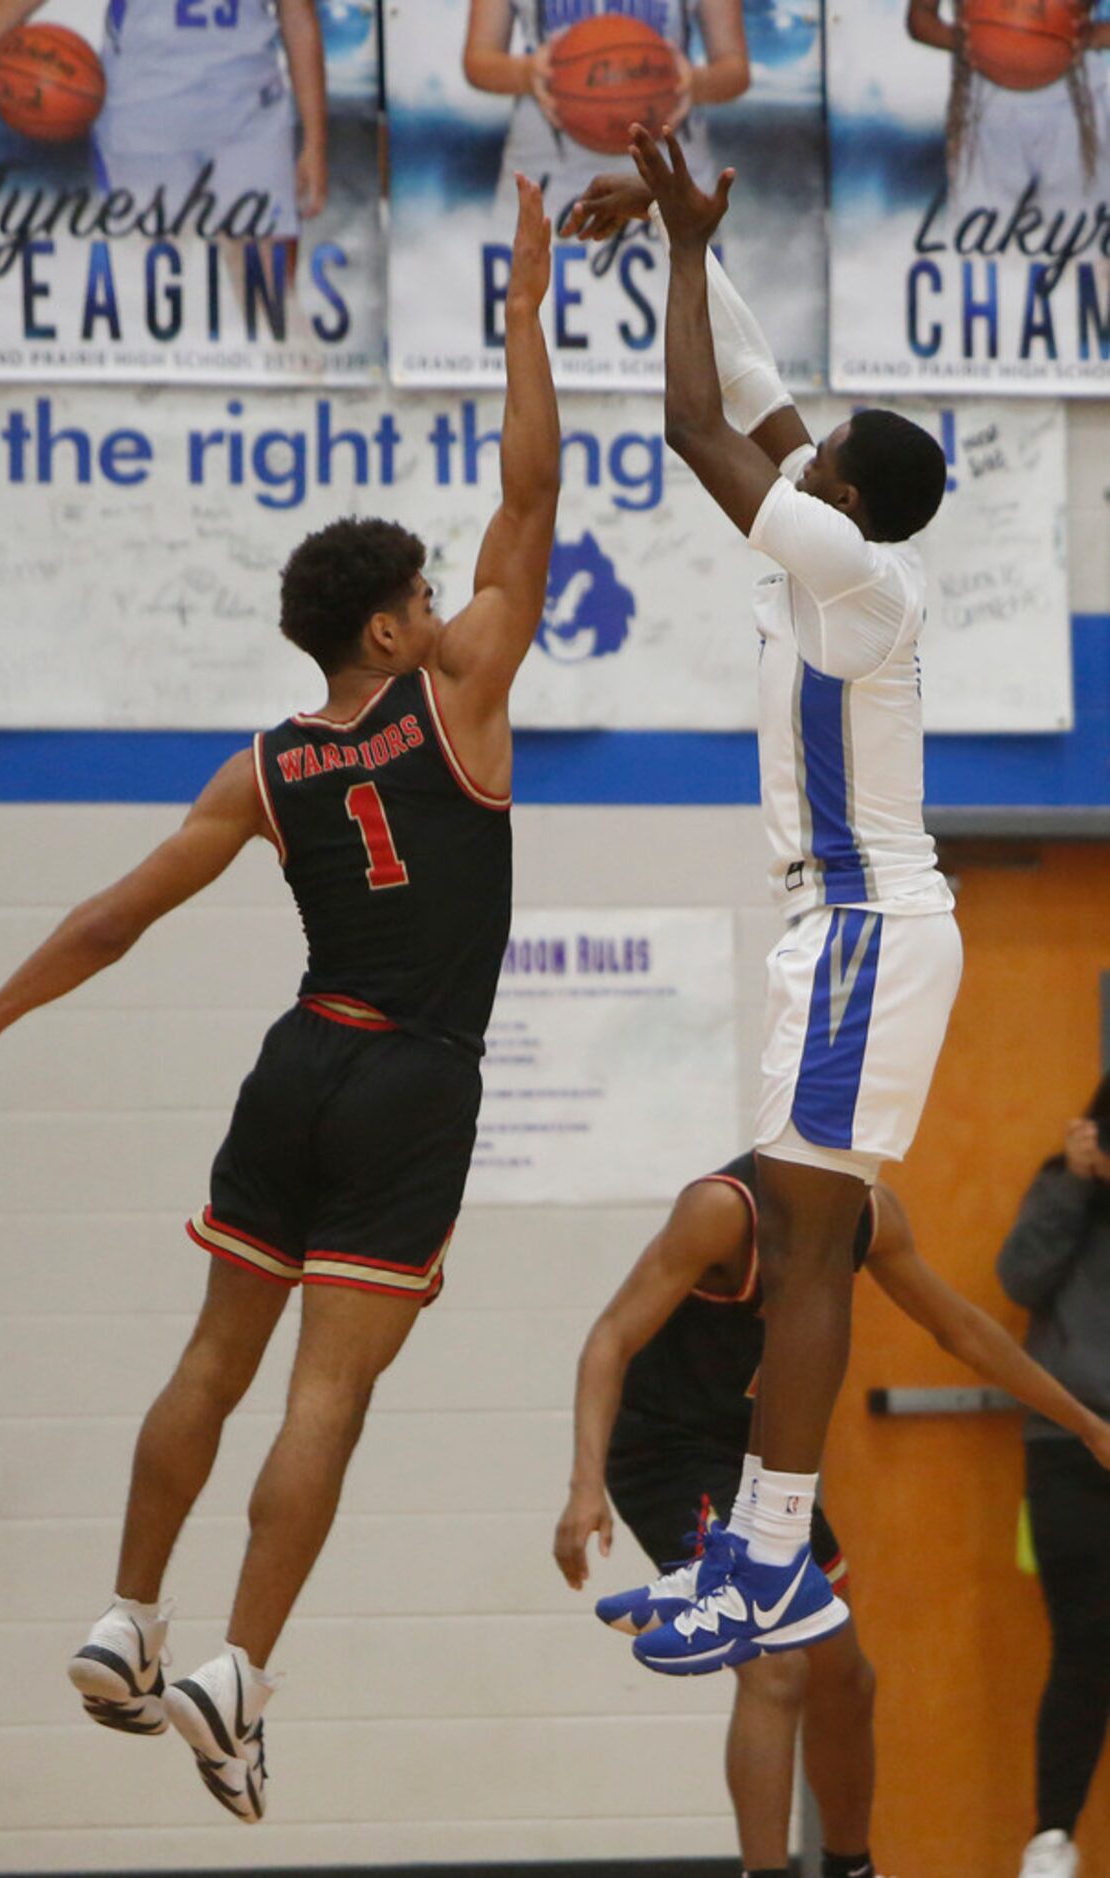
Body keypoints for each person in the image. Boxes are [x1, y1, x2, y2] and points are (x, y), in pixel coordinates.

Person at [0, 174, 558, 1824]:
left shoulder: (264, 767)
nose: (451, 602)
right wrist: (526, 309)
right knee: (333, 1387)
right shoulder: (458, 699)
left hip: (295, 1061)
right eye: (429, 590)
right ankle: (237, 1665)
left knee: (215, 1350)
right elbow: (531, 498)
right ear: (400, 621)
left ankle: (129, 1611)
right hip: (412, 1077)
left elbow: (115, 918)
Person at [564, 131, 961, 1672]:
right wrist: (687, 230)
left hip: (865, 927)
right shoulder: (835, 526)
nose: (800, 452)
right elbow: (749, 380)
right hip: (852, 932)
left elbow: (689, 420)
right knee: (808, 1239)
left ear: (843, 495)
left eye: (821, 455)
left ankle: (775, 1558)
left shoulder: (857, 577)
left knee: (808, 1251)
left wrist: (667, 256)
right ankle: (766, 1552)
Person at [553, 1150, 1110, 1878]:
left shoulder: (868, 1213)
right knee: (773, 1666)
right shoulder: (722, 1210)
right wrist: (582, 1484)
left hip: (767, 1464)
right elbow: (611, 1337)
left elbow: (962, 1331)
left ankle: (851, 1867)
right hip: (672, 1455)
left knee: (844, 1679)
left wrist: (1088, 1425)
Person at [0, 0, 329, 282]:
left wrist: (314, 141)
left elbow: (298, 16)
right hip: (145, 114)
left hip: (248, 109)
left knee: (272, 306)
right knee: (152, 292)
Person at [998, 1075, 1110, 1878]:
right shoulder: (1060, 1191)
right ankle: (1051, 1839)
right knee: (1085, 1640)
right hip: (1070, 1444)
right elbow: (1017, 1279)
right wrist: (1072, 1183)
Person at [463, 0, 749, 223]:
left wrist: (695, 83)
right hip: (544, 181)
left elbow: (735, 68)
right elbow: (478, 60)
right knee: (530, 297)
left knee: (687, 296)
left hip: (669, 186)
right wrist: (526, 73)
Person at [906, 0, 1110, 218]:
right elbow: (920, 19)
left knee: (1080, 230)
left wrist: (1096, 35)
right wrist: (969, 41)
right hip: (987, 109)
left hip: (1076, 107)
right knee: (981, 228)